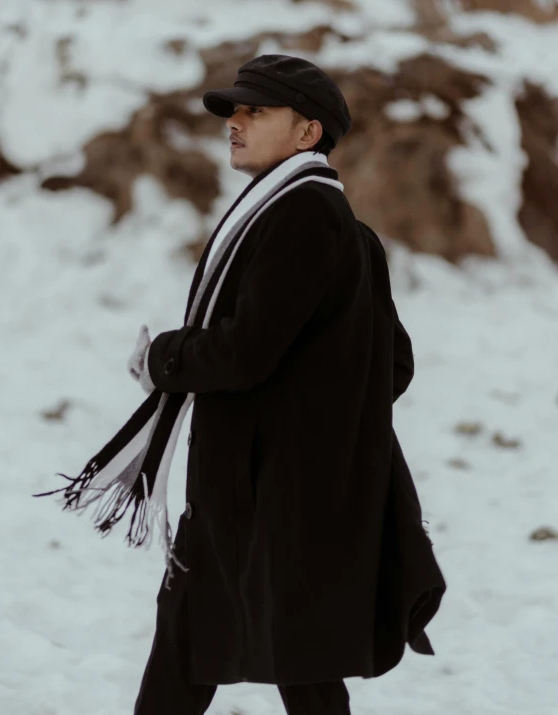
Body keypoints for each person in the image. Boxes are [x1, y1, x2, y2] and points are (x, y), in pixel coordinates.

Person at [130, 54, 447, 715]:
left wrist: (164, 357)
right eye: (234, 112)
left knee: (283, 661)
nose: (235, 123)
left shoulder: (300, 216)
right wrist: (318, 423)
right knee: (231, 653)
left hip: (267, 495)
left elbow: (245, 354)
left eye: (256, 111)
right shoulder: (337, 226)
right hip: (267, 492)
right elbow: (390, 365)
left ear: (308, 134)